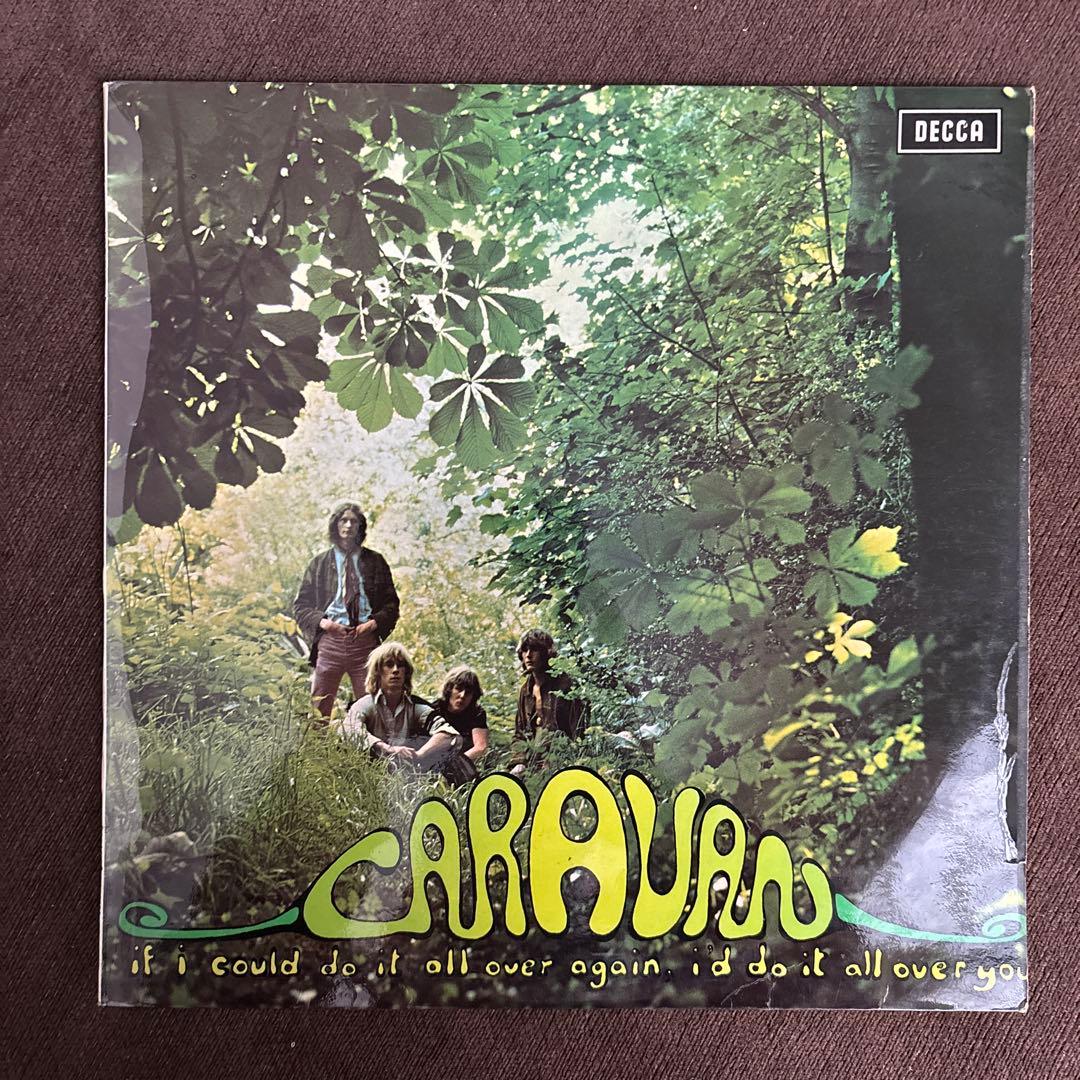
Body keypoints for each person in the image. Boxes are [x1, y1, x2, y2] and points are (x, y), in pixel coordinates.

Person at [293, 502, 400, 718]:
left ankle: (368, 740)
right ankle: (318, 740)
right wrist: (325, 623)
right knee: (319, 707)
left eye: (354, 521)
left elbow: (391, 605)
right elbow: (301, 606)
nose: (349, 525)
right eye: (344, 520)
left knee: (372, 706)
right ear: (335, 525)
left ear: (361, 526)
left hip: (365, 643)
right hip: (330, 641)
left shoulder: (375, 562)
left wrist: (373, 624)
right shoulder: (320, 563)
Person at [342, 642, 461, 772]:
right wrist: (386, 749)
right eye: (389, 665)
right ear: (378, 672)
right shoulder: (365, 704)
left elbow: (449, 734)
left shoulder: (415, 706)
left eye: (400, 665)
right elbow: (349, 730)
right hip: (368, 773)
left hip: (407, 774)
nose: (395, 670)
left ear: (406, 673)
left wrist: (419, 755)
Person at [510, 629, 587, 775]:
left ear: (546, 653)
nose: (528, 655)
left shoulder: (565, 685)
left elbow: (578, 731)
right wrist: (519, 761)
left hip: (562, 757)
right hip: (532, 758)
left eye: (534, 649)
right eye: (525, 650)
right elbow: (520, 733)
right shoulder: (525, 690)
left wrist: (558, 759)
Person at [428, 665, 489, 764]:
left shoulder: (477, 713)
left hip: (464, 762)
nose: (462, 695)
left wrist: (456, 763)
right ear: (449, 689)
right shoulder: (434, 710)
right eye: (458, 689)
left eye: (468, 692)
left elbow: (481, 747)